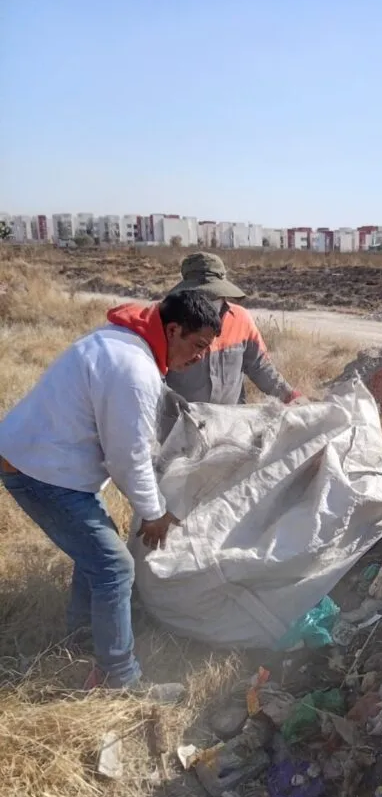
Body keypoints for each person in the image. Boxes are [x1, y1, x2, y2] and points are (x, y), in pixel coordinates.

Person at [0, 291, 223, 690]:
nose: (200, 357)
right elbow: (127, 458)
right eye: (198, 345)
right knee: (115, 569)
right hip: (41, 470)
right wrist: (154, 513)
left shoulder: (124, 343)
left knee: (99, 553)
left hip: (42, 460)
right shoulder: (132, 367)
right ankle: (120, 678)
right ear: (173, 330)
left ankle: (84, 637)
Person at [123, 252, 301, 409]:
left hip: (232, 423)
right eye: (202, 295)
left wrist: (289, 396)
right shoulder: (170, 322)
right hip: (182, 425)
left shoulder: (241, 319)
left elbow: (259, 367)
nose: (208, 301)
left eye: (213, 294)